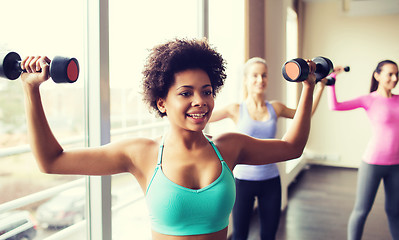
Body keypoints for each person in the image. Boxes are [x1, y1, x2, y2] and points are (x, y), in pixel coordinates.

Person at [20, 38, 315, 240]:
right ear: (162, 102)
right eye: (186, 93)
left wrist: (309, 87)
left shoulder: (230, 147)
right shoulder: (141, 153)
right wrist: (31, 90)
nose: (200, 101)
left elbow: (292, 147)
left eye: (207, 91)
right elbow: (51, 161)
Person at [209, 57, 326, 240]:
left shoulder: (275, 108)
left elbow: (306, 114)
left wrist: (319, 87)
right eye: (254, 76)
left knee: (269, 235)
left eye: (264, 75)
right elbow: (201, 118)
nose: (260, 80)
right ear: (246, 79)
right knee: (239, 235)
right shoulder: (235, 109)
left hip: (270, 181)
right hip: (242, 182)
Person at [326, 61, 399, 240]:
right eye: (390, 74)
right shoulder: (369, 99)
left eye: (397, 74)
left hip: (396, 165)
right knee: (361, 211)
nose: (395, 78)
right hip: (373, 163)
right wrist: (332, 79)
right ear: (377, 75)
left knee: (395, 212)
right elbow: (335, 106)